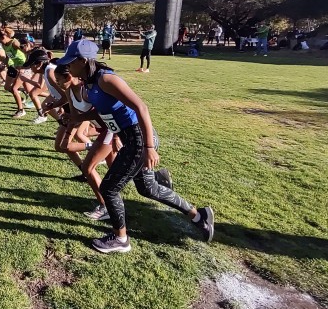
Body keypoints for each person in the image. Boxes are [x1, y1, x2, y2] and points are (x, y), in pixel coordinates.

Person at [55, 38, 214, 253]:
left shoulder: (106, 79)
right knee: (148, 188)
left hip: (138, 138)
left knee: (109, 188)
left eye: (71, 62)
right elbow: (102, 111)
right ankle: (198, 216)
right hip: (129, 138)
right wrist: (74, 108)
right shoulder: (89, 83)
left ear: (83, 61)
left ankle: (121, 240)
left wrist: (149, 147)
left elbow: (141, 108)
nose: (68, 66)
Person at [0, 27, 28, 118]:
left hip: (23, 67)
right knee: (7, 87)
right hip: (14, 66)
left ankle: (21, 110)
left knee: (15, 89)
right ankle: (21, 94)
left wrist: (25, 65)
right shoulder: (4, 45)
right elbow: (8, 56)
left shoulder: (14, 42)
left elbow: (27, 51)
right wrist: (4, 64)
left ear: (3, 37)